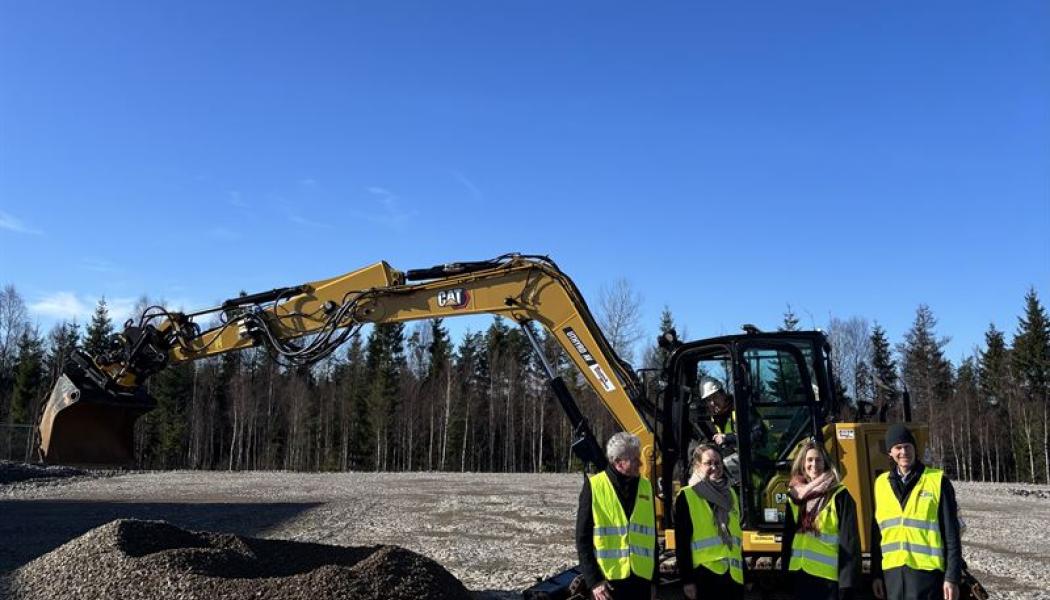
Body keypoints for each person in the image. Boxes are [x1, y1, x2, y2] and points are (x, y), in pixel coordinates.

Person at [870, 424, 963, 600]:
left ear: (915, 449)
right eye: (898, 447)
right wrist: (876, 575)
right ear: (890, 452)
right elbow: (876, 535)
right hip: (893, 577)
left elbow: (952, 534)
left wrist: (952, 577)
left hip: (927, 576)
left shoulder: (937, 482)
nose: (903, 452)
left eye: (907, 446)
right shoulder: (880, 484)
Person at [576, 432, 656, 600]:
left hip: (640, 581)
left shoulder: (646, 486)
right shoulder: (594, 486)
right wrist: (594, 581)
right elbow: (582, 539)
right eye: (634, 459)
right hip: (608, 584)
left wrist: (654, 581)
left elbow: (652, 537)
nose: (641, 463)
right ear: (619, 462)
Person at [780, 439, 861, 600]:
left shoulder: (839, 495)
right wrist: (785, 573)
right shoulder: (795, 496)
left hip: (827, 580)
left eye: (818, 460)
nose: (814, 464)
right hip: (800, 574)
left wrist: (847, 583)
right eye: (809, 460)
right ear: (803, 464)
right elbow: (788, 538)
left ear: (825, 463)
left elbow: (850, 542)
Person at [675, 444, 745, 600]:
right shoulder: (686, 496)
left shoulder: (731, 493)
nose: (714, 467)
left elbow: (736, 534)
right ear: (697, 466)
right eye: (708, 463)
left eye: (718, 462)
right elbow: (682, 544)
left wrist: (744, 572)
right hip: (704, 576)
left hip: (733, 575)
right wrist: (687, 581)